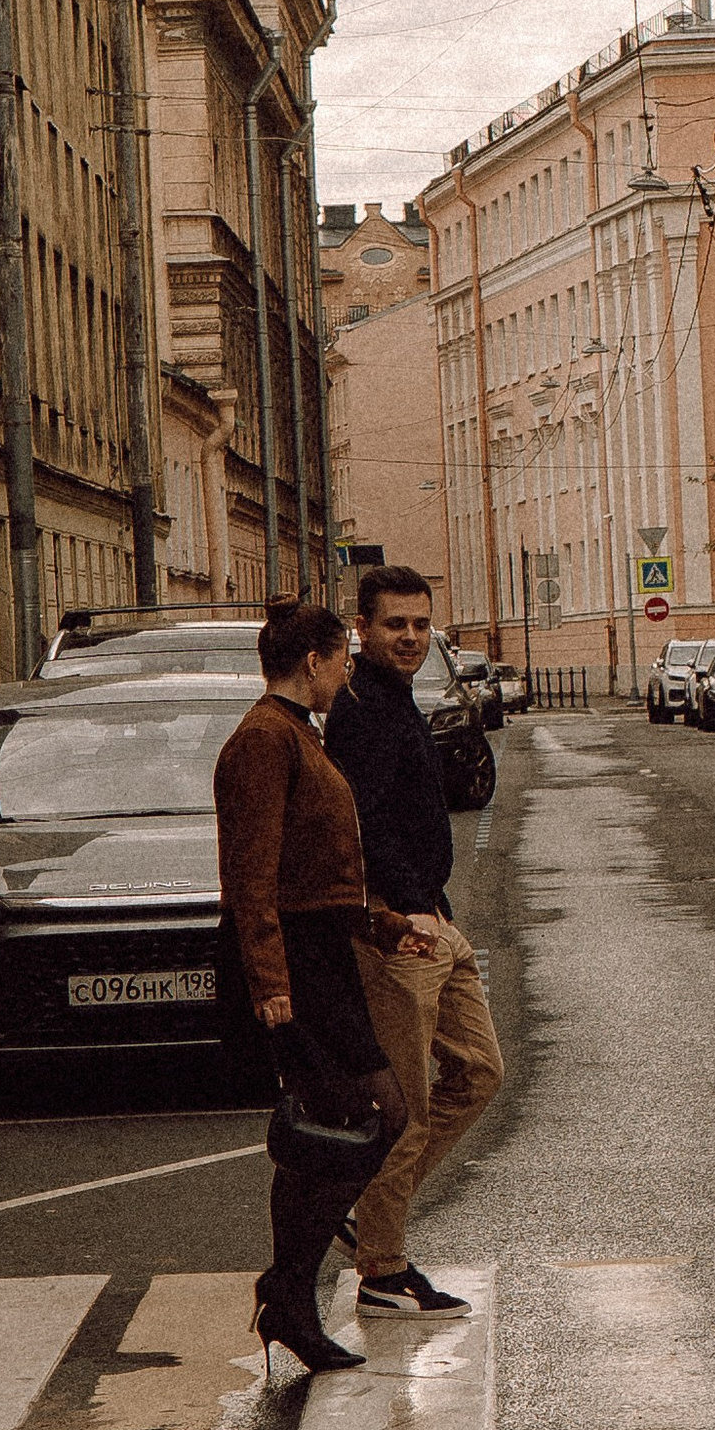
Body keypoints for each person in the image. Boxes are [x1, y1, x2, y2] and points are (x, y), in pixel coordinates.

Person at [214, 596, 436, 1378]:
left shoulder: (293, 734)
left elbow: (320, 872)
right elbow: (252, 876)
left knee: (359, 1121)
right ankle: (289, 1294)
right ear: (313, 661)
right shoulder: (263, 742)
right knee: (359, 1118)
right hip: (295, 965)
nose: (348, 672)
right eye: (342, 658)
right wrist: (270, 981)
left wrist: (380, 926)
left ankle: (288, 1292)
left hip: (323, 953)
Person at [327, 561, 505, 1317]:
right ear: (361, 629)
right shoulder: (361, 708)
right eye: (394, 624)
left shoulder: (398, 699)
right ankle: (382, 1270)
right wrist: (409, 907)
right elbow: (360, 823)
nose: (409, 637)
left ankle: (369, 1213)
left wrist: (437, 906)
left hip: (435, 917)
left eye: (420, 624)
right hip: (401, 933)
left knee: (480, 1071)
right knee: (407, 1102)